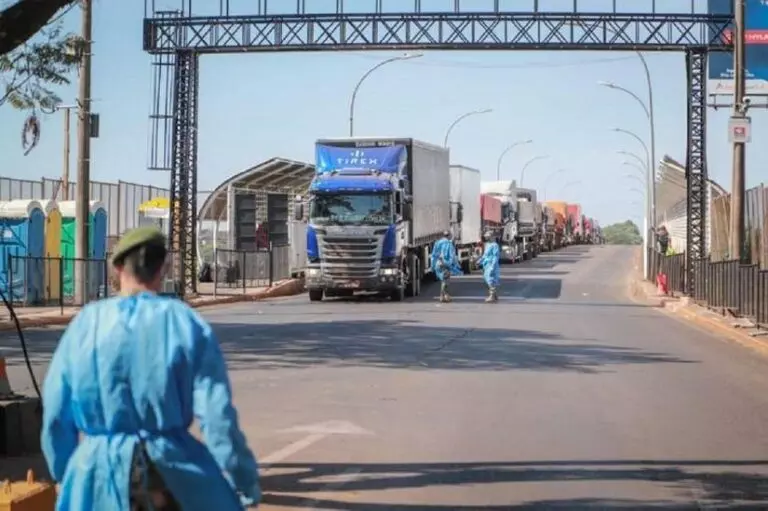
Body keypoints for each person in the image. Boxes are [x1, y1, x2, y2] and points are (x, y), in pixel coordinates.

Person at [41, 226, 261, 511]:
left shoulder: (86, 324)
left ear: (118, 268)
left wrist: (68, 475)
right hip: (170, 471)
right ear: (162, 269)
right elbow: (217, 416)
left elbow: (56, 416)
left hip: (98, 475)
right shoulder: (184, 322)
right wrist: (244, 480)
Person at [430, 230, 463, 303]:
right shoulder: (449, 244)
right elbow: (452, 256)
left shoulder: (437, 243)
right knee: (445, 281)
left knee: (443, 280)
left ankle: (444, 296)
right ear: (449, 236)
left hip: (438, 264)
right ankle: (443, 296)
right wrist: (455, 265)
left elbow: (433, 255)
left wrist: (432, 266)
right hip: (445, 264)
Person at [476, 230, 501, 303]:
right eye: (486, 237)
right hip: (486, 265)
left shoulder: (495, 245)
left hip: (491, 264)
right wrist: (479, 261)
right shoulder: (487, 244)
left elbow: (495, 257)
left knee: (491, 280)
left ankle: (492, 296)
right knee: (487, 279)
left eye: (488, 237)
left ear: (491, 237)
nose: (486, 238)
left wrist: (492, 266)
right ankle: (494, 295)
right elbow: (485, 255)